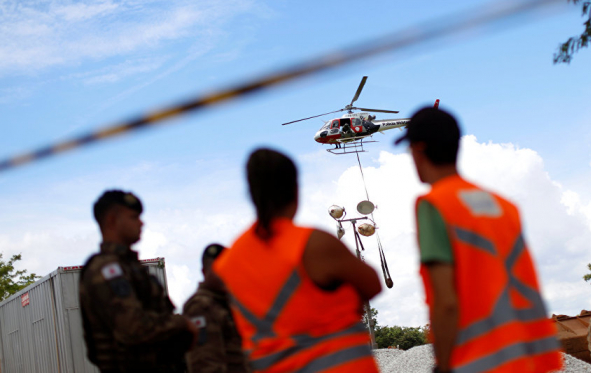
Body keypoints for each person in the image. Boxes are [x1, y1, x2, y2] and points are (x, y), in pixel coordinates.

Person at [395, 108, 563, 373]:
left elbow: (446, 302)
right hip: (530, 359)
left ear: (418, 150)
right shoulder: (504, 206)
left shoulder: (434, 205)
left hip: (479, 361)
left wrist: (444, 366)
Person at [213, 148, 382, 373]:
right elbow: (372, 284)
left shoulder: (228, 264)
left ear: (252, 194)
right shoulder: (312, 243)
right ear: (295, 190)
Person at [79, 190, 196, 373]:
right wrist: (182, 324)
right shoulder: (106, 269)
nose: (141, 223)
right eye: (134, 217)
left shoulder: (130, 266)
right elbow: (132, 327)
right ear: (111, 220)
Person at [184, 243, 249, 373]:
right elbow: (205, 364)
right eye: (217, 268)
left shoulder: (231, 304)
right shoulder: (201, 306)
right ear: (204, 271)